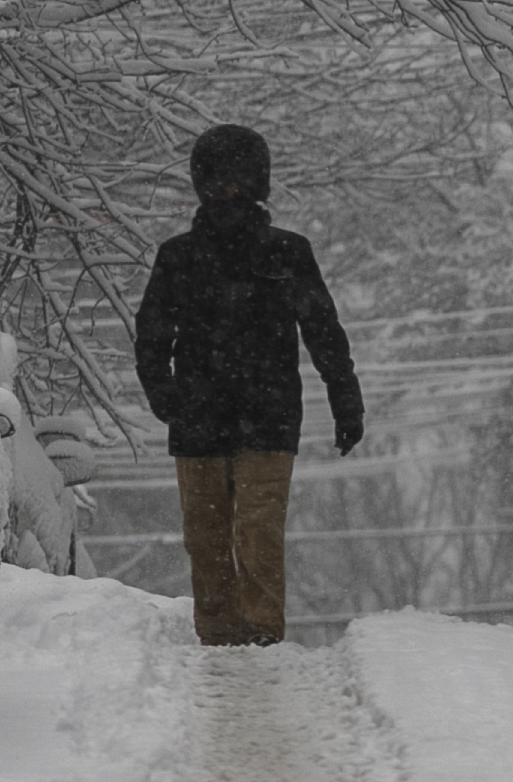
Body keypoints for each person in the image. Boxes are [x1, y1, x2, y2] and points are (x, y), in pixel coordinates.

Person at [134, 124, 365, 646]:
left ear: (258, 183)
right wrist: (165, 396)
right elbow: (152, 335)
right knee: (206, 538)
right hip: (199, 420)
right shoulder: (178, 257)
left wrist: (346, 400)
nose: (228, 193)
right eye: (220, 181)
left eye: (237, 181)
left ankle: (262, 637)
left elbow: (324, 332)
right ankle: (218, 638)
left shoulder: (288, 253)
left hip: (269, 418)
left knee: (259, 534)